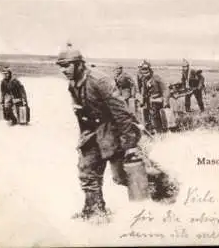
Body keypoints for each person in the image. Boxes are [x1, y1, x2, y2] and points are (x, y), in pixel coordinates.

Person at [56, 43, 149, 223]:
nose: (64, 70)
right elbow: (81, 112)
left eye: (67, 65)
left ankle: (161, 187)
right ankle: (94, 211)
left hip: (114, 132)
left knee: (123, 176)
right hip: (93, 133)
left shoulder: (99, 81)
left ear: (79, 64)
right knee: (87, 171)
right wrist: (84, 139)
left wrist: (129, 146)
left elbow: (121, 113)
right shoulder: (73, 83)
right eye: (61, 67)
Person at [137, 60, 171, 133]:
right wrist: (142, 101)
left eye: (146, 71)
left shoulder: (156, 78)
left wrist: (165, 102)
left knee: (156, 117)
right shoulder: (144, 80)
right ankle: (150, 130)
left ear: (150, 70)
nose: (145, 73)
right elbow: (144, 92)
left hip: (158, 100)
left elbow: (165, 90)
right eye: (143, 71)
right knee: (146, 115)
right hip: (149, 100)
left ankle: (160, 132)